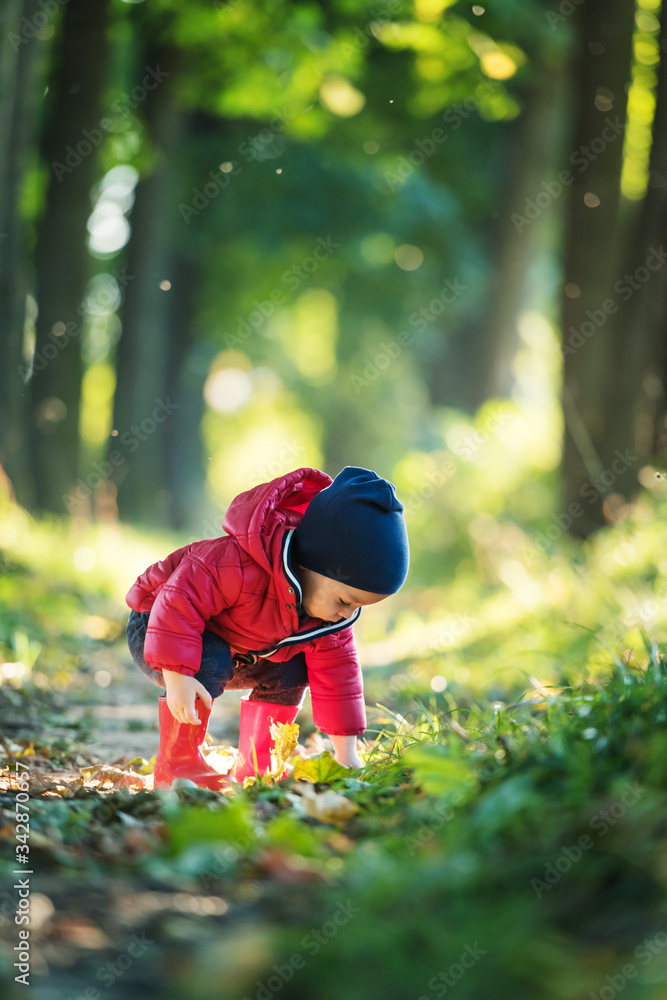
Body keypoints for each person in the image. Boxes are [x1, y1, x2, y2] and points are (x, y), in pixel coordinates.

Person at [125, 466, 410, 790]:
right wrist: (177, 676)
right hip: (158, 625)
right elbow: (178, 600)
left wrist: (347, 755)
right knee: (210, 656)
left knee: (292, 669)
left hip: (239, 653)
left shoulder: (328, 620)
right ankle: (178, 766)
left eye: (358, 607)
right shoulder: (235, 563)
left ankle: (259, 766)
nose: (346, 616)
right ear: (310, 563)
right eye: (345, 600)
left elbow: (339, 680)